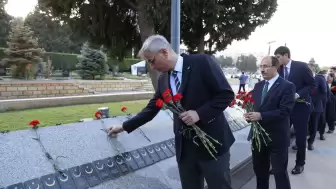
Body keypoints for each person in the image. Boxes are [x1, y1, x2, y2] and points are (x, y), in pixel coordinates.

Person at [107, 35, 235, 189]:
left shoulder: (202, 63)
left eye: (151, 61)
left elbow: (226, 94)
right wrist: (123, 127)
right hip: (185, 152)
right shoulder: (163, 80)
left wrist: (199, 114)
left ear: (164, 52)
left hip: (213, 146)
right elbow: (151, 109)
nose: (152, 67)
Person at [245, 56, 295, 189]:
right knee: (260, 172)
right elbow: (256, 107)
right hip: (258, 138)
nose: (262, 69)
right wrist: (250, 115)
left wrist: (261, 116)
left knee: (279, 172)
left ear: (276, 67)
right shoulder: (258, 86)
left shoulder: (287, 86)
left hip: (277, 137)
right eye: (261, 66)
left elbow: (285, 111)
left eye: (266, 66)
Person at [274, 46, 316, 175]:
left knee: (300, 137)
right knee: (281, 136)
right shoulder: (277, 69)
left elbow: (312, 84)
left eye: (278, 57)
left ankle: (300, 163)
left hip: (301, 107)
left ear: (286, 55)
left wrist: (298, 94)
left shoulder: (301, 67)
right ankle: (279, 165)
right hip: (284, 108)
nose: (277, 60)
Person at [307, 65, 327, 150]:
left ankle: (310, 142)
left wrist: (315, 101)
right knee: (303, 125)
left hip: (316, 106)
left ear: (314, 70)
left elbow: (324, 93)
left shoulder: (320, 79)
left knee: (314, 125)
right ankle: (299, 143)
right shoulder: (304, 79)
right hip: (305, 105)